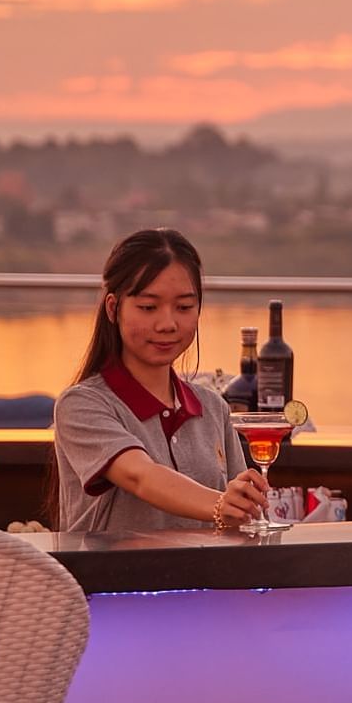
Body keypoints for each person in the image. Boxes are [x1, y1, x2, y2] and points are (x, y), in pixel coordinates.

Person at [53, 228, 269, 533]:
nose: (167, 324)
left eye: (183, 307)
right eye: (148, 307)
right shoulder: (82, 405)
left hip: (208, 578)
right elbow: (140, 475)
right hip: (115, 579)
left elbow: (240, 514)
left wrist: (246, 504)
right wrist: (222, 505)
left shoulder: (212, 408)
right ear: (113, 308)